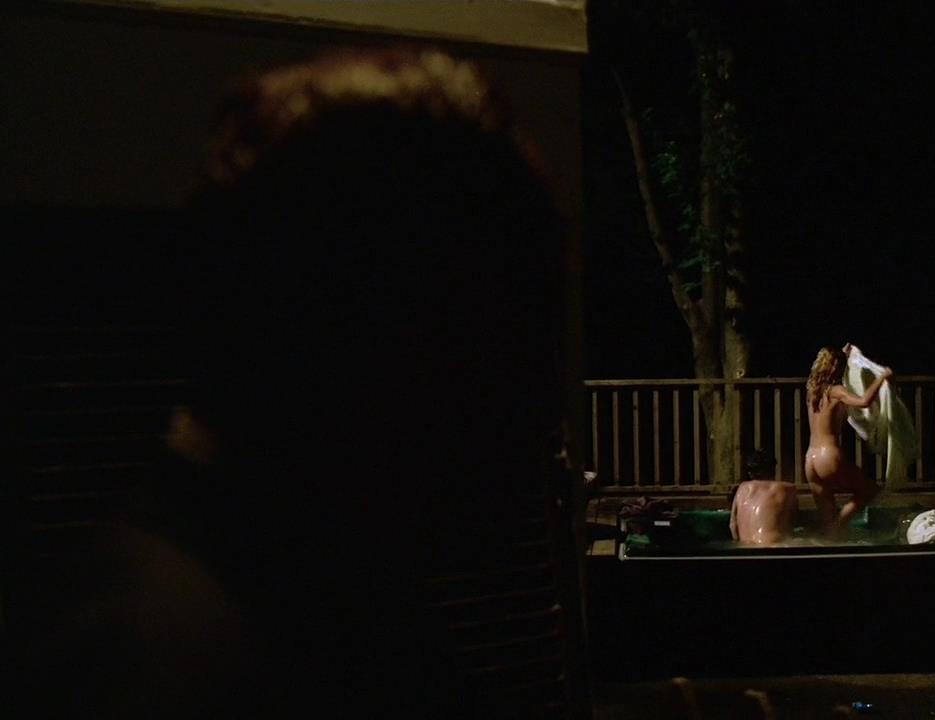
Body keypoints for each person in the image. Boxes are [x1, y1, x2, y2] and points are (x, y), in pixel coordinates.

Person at [21, 47, 578, 719]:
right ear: (370, 323)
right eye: (511, 333)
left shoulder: (308, 600)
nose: (542, 403)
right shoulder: (178, 666)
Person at [804, 343, 893, 537]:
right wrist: (882, 377)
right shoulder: (836, 391)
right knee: (869, 491)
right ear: (836, 367)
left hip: (810, 459)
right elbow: (863, 402)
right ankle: (839, 525)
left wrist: (844, 355)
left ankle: (829, 538)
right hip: (828, 456)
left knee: (826, 518)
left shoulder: (811, 389)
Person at [729, 449, 798, 545]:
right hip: (771, 548)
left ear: (750, 472)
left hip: (745, 548)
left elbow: (733, 526)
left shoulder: (742, 489)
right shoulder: (787, 489)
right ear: (773, 469)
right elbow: (793, 522)